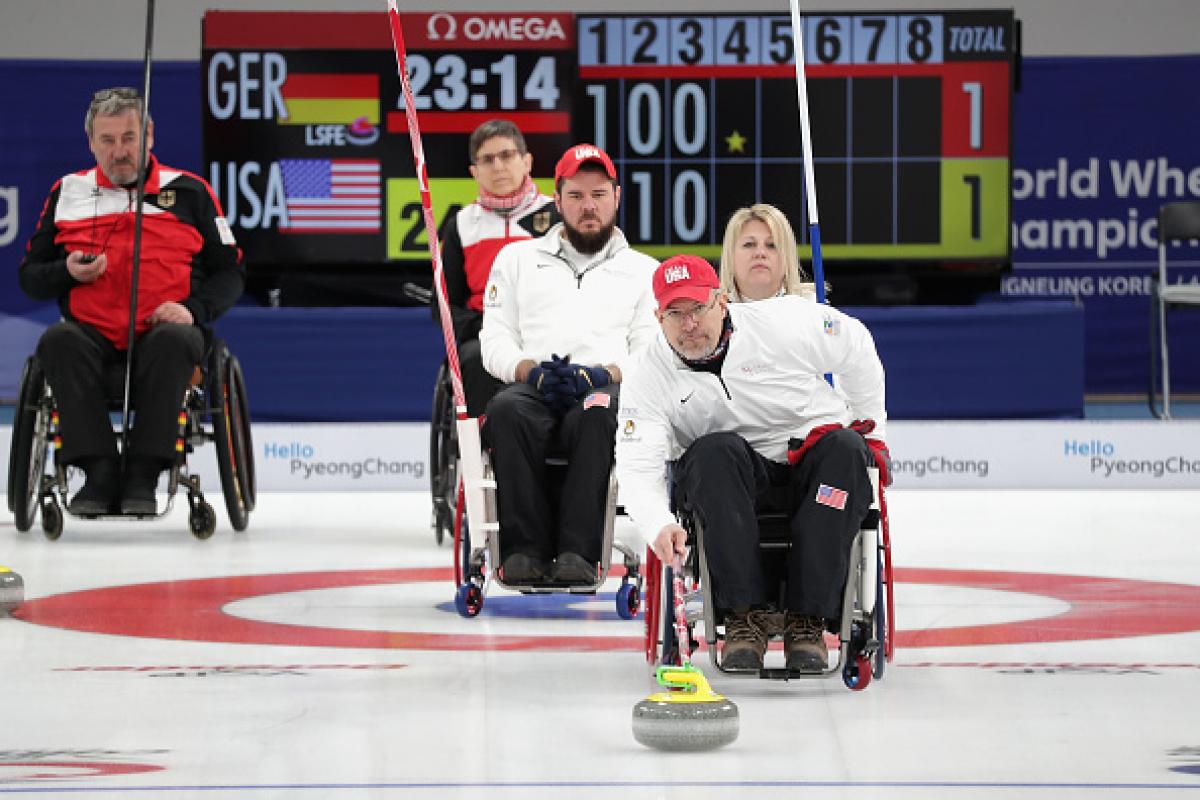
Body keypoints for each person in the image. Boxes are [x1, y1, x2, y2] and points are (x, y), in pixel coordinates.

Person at [614, 254, 889, 673]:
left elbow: (855, 345)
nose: (689, 324)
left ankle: (808, 622)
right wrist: (657, 523)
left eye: (698, 309)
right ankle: (744, 619)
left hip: (811, 462)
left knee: (848, 449)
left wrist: (873, 432)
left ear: (722, 302)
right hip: (731, 483)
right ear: (658, 317)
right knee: (711, 451)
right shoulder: (646, 373)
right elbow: (637, 464)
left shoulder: (783, 322)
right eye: (675, 313)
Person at [18, 87, 244, 516]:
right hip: (92, 338)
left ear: (150, 135)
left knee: (176, 340)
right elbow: (30, 277)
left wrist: (193, 311)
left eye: (128, 137)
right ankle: (98, 472)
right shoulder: (67, 192)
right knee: (57, 340)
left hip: (165, 337)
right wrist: (66, 271)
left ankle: (144, 473)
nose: (119, 151)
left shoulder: (191, 192)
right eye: (107, 140)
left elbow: (230, 271)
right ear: (91, 143)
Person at [479, 143, 658, 585]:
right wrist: (531, 371)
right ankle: (524, 552)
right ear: (556, 202)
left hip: (601, 386)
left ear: (616, 197)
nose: (588, 207)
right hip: (536, 384)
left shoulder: (644, 271)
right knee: (506, 410)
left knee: (600, 412)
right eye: (576, 196)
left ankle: (579, 553)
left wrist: (602, 375)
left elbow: (651, 352)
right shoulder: (515, 259)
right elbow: (494, 339)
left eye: (598, 195)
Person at [435, 119, 559, 417]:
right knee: (477, 357)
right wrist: (484, 327)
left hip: (547, 330)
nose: (498, 166)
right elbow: (443, 303)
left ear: (526, 161)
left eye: (507, 155)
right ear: (474, 172)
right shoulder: (462, 224)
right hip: (485, 332)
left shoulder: (557, 215)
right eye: (487, 159)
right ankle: (481, 446)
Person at [718, 203, 816, 302]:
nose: (760, 253)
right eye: (749, 244)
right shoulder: (709, 311)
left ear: (788, 256)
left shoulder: (814, 310)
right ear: (730, 255)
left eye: (771, 245)